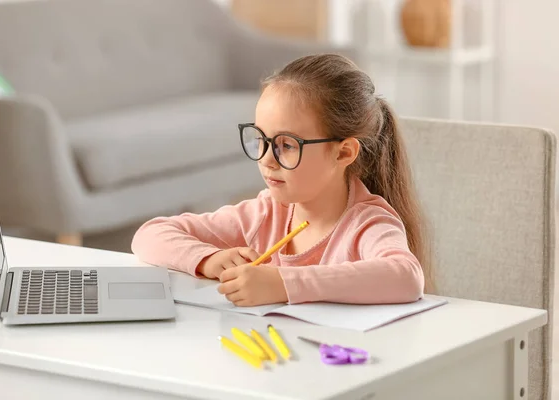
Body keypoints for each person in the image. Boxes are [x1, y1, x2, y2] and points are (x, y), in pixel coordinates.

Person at [131, 53, 434, 307]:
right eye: (260, 139)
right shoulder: (265, 214)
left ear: (343, 153)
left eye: (286, 145)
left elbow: (405, 276)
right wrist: (208, 259)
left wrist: (283, 284)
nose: (266, 158)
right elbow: (150, 235)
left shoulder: (365, 224)